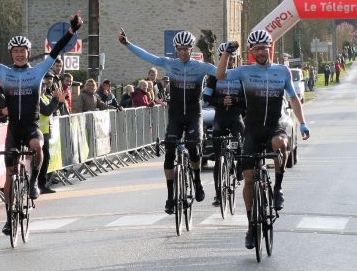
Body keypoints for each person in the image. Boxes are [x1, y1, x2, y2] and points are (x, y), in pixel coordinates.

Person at [0, 11, 82, 235]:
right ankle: (9, 217)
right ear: (11, 54)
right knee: (10, 174)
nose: (19, 54)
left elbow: (58, 48)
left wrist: (72, 31)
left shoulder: (39, 70)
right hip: (14, 128)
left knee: (37, 147)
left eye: (23, 51)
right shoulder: (4, 71)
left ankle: (33, 182)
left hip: (31, 126)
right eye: (16, 51)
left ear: (29, 53)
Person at [217, 30, 310, 249]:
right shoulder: (244, 71)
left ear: (270, 49)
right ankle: (251, 226)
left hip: (273, 127)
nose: (261, 52)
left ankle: (277, 189)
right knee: (249, 177)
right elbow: (220, 75)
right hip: (252, 130)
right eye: (257, 48)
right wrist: (226, 54)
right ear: (251, 51)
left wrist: (303, 122)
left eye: (264, 48)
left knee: (282, 144)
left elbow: (293, 98)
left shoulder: (282, 71)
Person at [119, 29, 217, 213]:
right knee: (170, 152)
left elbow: (220, 73)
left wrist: (228, 57)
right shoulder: (169, 64)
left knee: (193, 147)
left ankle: (197, 181)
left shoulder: (201, 67)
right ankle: (171, 196)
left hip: (195, 114)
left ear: (191, 49)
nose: (183, 53)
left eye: (186, 49)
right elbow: (147, 56)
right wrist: (127, 44)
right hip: (176, 114)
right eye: (179, 49)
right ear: (176, 49)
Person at [203, 42, 245, 207]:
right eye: (225, 59)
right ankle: (218, 195)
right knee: (219, 157)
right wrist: (220, 100)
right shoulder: (213, 77)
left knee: (239, 140)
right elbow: (206, 97)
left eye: (231, 59)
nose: (229, 62)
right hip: (220, 117)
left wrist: (234, 99)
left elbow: (248, 99)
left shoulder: (241, 75)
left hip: (235, 117)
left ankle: (240, 166)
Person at [37, 84, 67, 194]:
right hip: (37, 133)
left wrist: (60, 102)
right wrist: (55, 98)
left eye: (44, 87)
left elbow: (51, 108)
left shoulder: (44, 97)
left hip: (45, 133)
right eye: (41, 87)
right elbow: (46, 111)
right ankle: (39, 185)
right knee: (41, 160)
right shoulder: (36, 98)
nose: (43, 89)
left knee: (45, 159)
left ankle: (42, 184)